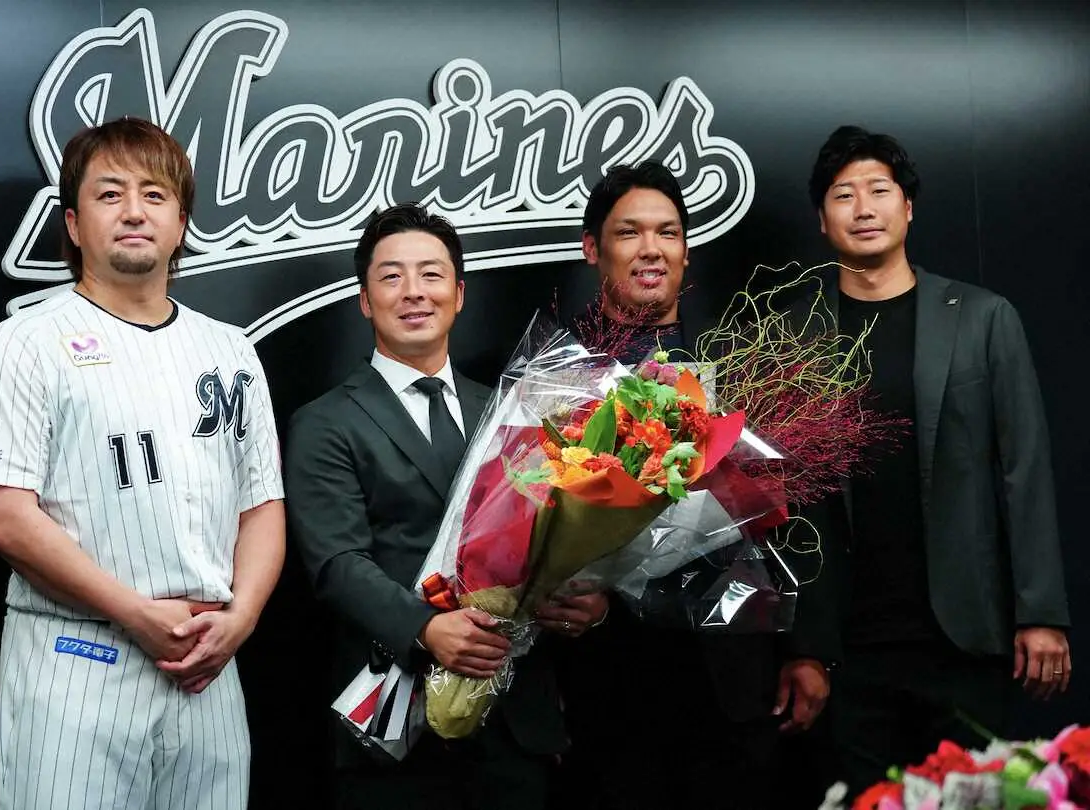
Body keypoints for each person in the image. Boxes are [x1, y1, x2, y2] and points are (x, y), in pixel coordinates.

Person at [0, 117, 286, 809]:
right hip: (79, 657)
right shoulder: (23, 344)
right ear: (74, 225)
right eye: (110, 194)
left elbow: (261, 506)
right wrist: (135, 613)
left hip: (208, 664)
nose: (134, 211)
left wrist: (243, 619)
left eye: (154, 195)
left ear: (180, 223)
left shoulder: (231, 349)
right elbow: (5, 517)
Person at [285, 203, 600, 810]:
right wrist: (425, 628)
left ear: (458, 295)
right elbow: (337, 564)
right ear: (364, 300)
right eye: (392, 276)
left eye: (431, 274)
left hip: (514, 723)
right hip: (396, 721)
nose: (413, 291)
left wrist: (582, 599)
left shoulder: (515, 410)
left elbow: (553, 538)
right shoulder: (325, 423)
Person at [552, 160, 840, 810]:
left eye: (669, 232)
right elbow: (525, 528)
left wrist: (808, 652)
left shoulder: (742, 361)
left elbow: (802, 511)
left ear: (686, 250)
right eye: (629, 233)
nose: (651, 249)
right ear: (592, 248)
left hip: (735, 676)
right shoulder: (557, 372)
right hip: (606, 682)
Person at [802, 125, 1073, 795]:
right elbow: (786, 500)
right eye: (843, 195)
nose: (863, 208)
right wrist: (801, 647)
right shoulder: (796, 336)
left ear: (908, 207)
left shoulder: (983, 318)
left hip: (964, 637)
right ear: (822, 219)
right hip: (850, 650)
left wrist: (1041, 613)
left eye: (879, 190)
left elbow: (1026, 471)